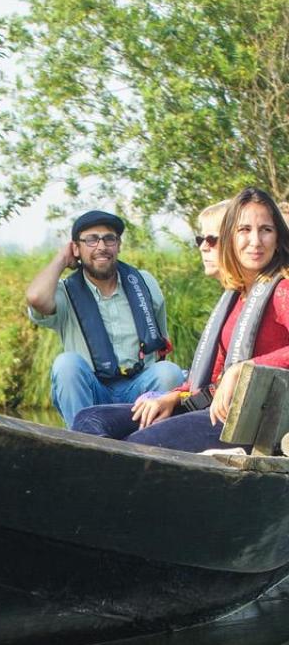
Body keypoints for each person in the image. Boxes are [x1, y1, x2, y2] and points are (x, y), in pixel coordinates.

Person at [74, 187, 289, 452]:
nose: (255, 240)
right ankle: (100, 485)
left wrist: (246, 369)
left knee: (136, 445)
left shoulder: (282, 289)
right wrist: (173, 397)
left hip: (247, 419)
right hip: (210, 406)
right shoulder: (237, 295)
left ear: (278, 237)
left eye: (266, 230)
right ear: (230, 238)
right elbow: (212, 374)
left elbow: (237, 369)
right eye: (244, 230)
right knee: (91, 419)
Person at [71, 198, 228, 440]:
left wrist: (241, 370)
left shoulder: (267, 295)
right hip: (200, 400)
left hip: (221, 413)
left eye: (211, 240)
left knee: (134, 434)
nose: (203, 247)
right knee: (87, 418)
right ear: (76, 247)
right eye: (200, 240)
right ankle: (83, 448)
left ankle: (119, 453)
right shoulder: (232, 298)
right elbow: (210, 379)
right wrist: (175, 396)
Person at [26, 209, 183, 426]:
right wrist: (62, 258)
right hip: (93, 390)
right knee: (66, 364)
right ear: (76, 248)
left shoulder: (144, 283)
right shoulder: (64, 292)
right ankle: (83, 442)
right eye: (91, 240)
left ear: (118, 245)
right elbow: (36, 297)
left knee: (169, 372)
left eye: (109, 239)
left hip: (140, 389)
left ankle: (152, 441)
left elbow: (160, 343)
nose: (101, 247)